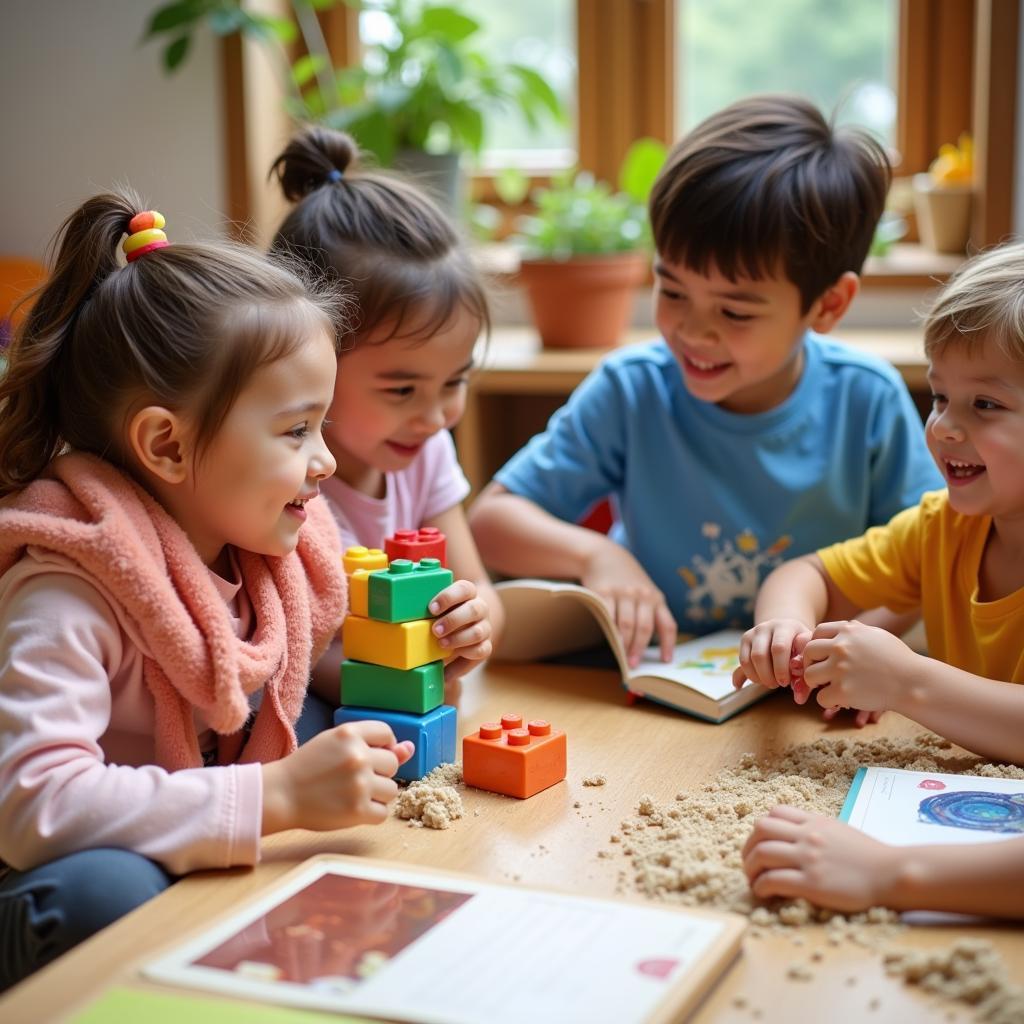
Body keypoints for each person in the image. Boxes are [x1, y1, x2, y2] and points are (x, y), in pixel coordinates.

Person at [0, 190, 416, 989]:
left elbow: (313, 665)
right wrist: (276, 796)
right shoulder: (68, 594)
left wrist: (425, 652)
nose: (325, 461)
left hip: (185, 810)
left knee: (324, 715)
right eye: (297, 431)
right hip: (38, 875)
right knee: (108, 889)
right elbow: (33, 805)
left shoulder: (253, 549)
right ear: (167, 445)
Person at [468, 94, 941, 678]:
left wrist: (853, 652)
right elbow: (492, 521)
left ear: (828, 304)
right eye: (672, 292)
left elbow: (924, 568)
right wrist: (598, 555)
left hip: (810, 697)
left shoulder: (866, 400)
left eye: (735, 313)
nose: (692, 331)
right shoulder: (632, 389)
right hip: (661, 684)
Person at [736, 242, 1024, 918]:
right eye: (940, 395)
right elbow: (805, 572)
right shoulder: (943, 528)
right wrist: (785, 627)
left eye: (985, 404)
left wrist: (908, 681)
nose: (945, 428)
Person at [270, 127, 502, 690]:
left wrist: (470, 627)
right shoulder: (279, 483)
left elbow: (487, 599)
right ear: (315, 369)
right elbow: (280, 655)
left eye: (456, 380)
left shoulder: (426, 451)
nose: (435, 415)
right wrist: (384, 683)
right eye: (402, 390)